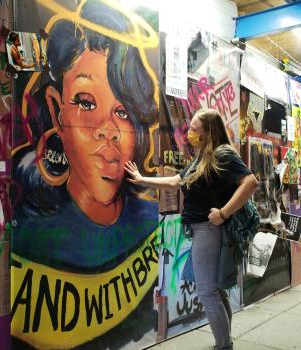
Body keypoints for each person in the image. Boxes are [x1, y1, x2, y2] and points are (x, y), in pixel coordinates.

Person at [12, 0, 159, 348]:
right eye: (86, 103)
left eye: (122, 111)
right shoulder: (29, 234)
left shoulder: (150, 221)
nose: (107, 131)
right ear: (55, 109)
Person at [125, 108, 259, 350]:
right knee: (215, 290)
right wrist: (143, 179)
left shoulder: (223, 154)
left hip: (209, 229)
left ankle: (223, 346)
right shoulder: (203, 158)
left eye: (195, 130)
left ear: (209, 132)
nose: (190, 134)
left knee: (207, 291)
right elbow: (177, 181)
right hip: (202, 230)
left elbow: (250, 182)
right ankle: (224, 343)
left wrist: (223, 212)